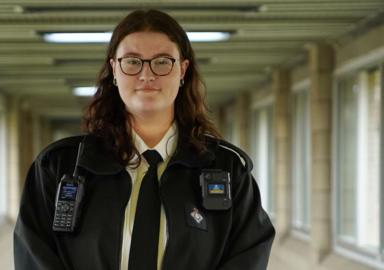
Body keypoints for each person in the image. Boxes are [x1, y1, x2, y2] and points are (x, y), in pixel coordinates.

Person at [14, 9, 275, 270]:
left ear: (183, 70)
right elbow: (34, 258)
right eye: (132, 61)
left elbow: (248, 257)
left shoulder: (228, 170)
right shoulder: (59, 166)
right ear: (114, 69)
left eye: (162, 61)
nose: (147, 75)